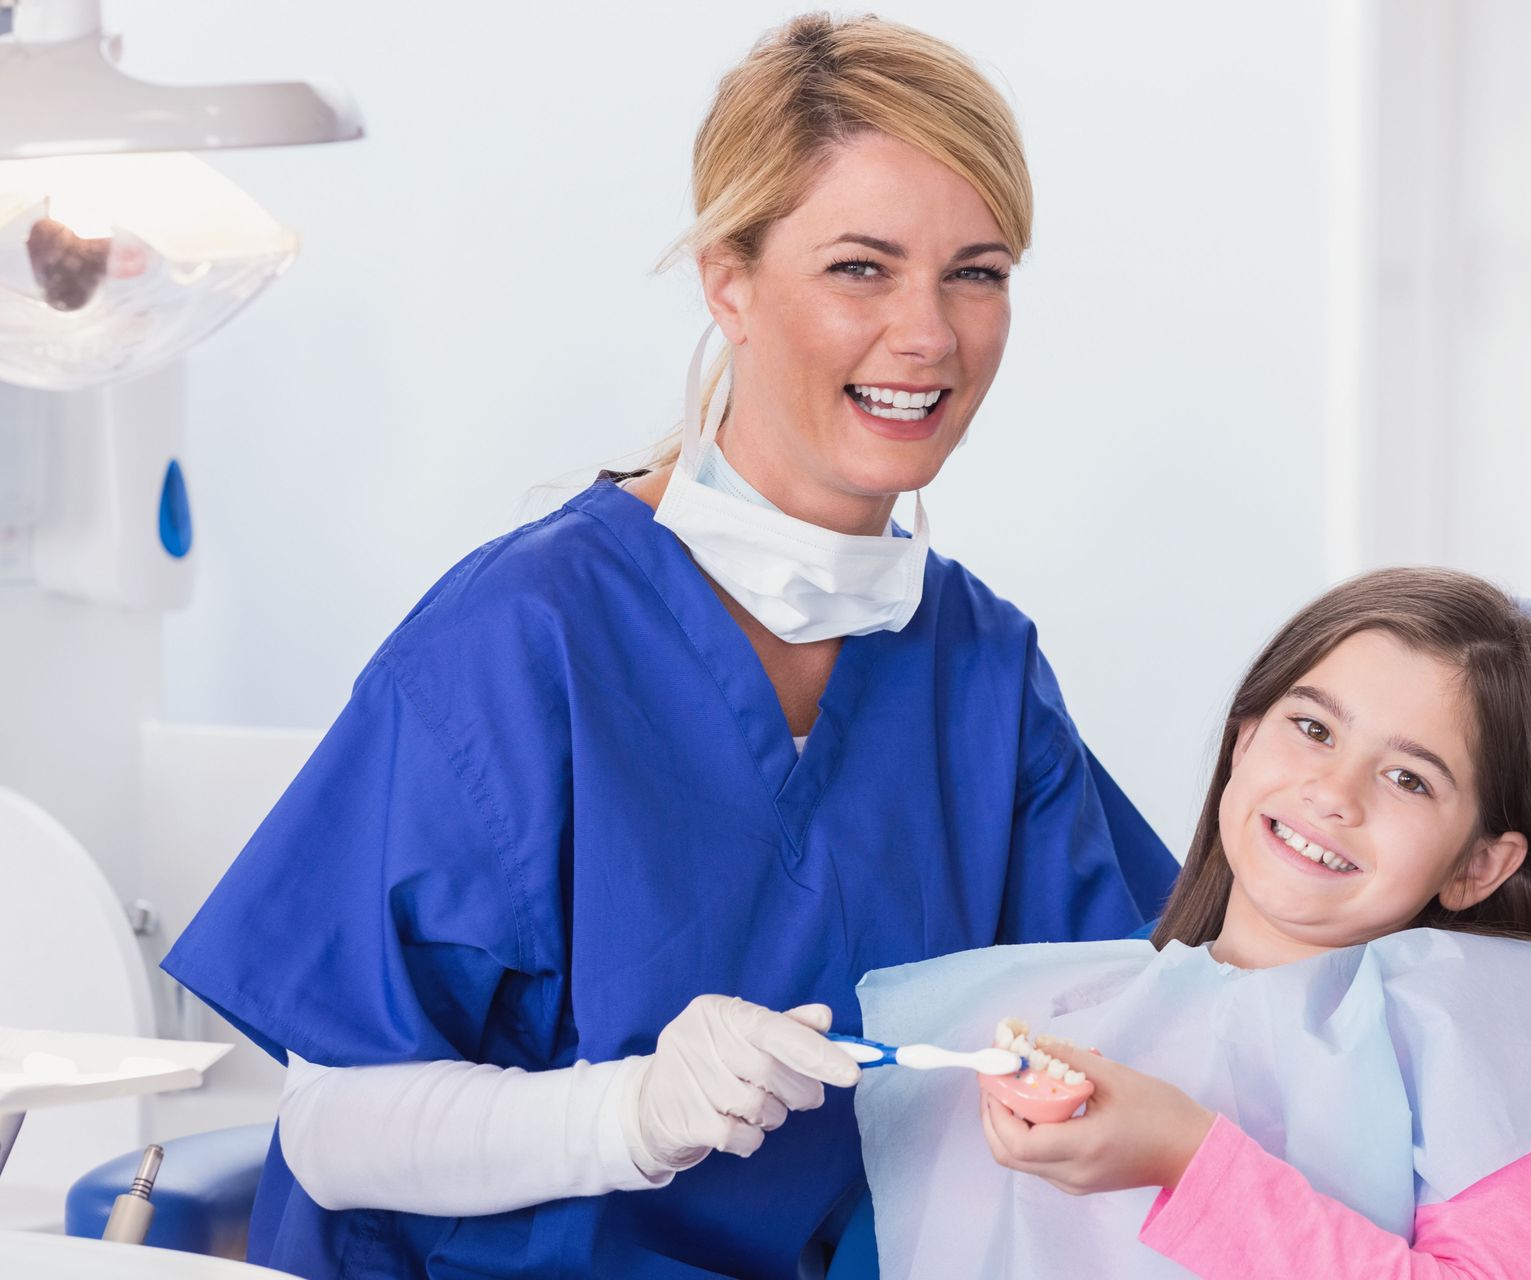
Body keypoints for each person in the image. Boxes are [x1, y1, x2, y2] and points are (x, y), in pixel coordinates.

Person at [160, 14, 1174, 1279]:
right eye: (861, 266)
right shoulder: (529, 637)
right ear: (728, 278)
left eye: (978, 271)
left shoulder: (981, 670)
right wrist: (631, 1114)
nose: (930, 334)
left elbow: (1141, 1024)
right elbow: (329, 1129)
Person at [853, 568, 1531, 1278]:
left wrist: (1187, 1156)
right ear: (1243, 742)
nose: (1334, 793)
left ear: (1478, 866)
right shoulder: (1066, 1013)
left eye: (1409, 779)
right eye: (1312, 729)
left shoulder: (1487, 1036)